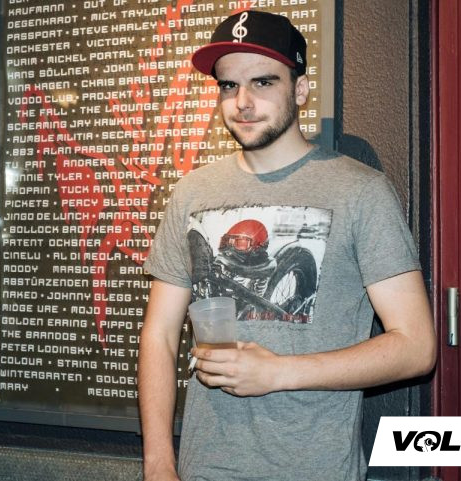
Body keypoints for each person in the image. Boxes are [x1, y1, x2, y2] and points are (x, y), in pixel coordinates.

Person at [138, 10, 436, 481]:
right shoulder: (192, 192)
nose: (243, 102)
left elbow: (416, 346)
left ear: (299, 90)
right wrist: (158, 465)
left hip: (314, 469)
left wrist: (279, 372)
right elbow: (159, 333)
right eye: (229, 86)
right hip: (204, 469)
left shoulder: (360, 191)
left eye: (263, 82)